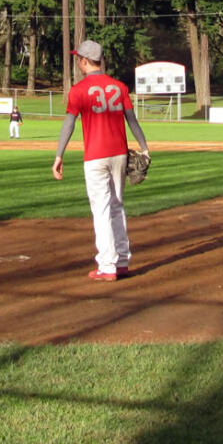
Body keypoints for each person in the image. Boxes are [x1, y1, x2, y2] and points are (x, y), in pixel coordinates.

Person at [52, 39, 151, 281]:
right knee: (117, 206)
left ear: (85, 61)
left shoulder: (78, 90)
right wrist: (145, 147)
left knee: (102, 209)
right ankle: (123, 261)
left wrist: (59, 155)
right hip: (119, 152)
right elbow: (132, 120)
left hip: (96, 156)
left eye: (78, 58)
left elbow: (69, 123)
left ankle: (107, 266)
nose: (77, 62)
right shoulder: (119, 87)